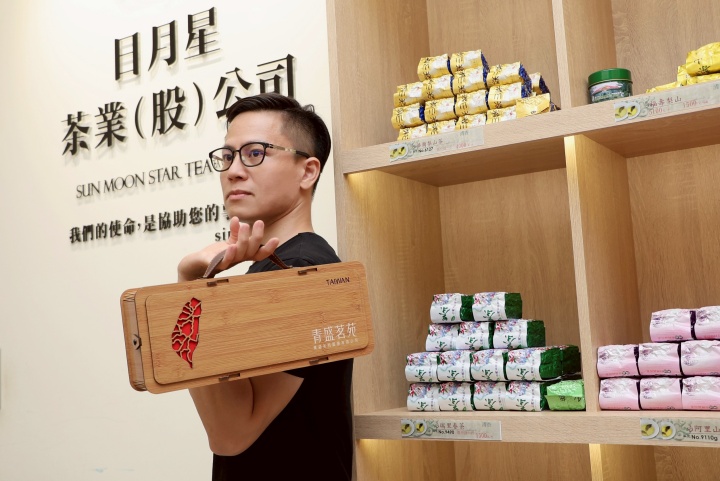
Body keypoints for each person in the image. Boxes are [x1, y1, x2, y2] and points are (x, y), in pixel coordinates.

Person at [176, 93, 353, 480]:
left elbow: (231, 434)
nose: (233, 171)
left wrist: (189, 286)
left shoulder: (302, 271)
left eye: (255, 153)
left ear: (307, 172)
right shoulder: (277, 266)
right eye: (227, 156)